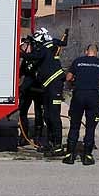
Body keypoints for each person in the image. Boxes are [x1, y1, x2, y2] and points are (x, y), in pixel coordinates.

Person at [62, 44, 99, 166]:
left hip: (78, 96)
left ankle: (70, 155)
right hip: (93, 97)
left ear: (86, 52)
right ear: (96, 53)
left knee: (74, 126)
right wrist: (98, 81)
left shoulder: (78, 61)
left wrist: (76, 79)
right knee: (90, 127)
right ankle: (87, 156)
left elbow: (68, 78)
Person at [25, 27, 69, 156]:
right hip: (47, 86)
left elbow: (35, 55)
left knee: (54, 116)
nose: (33, 46)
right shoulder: (48, 47)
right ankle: (50, 144)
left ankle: (58, 146)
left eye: (34, 43)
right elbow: (63, 43)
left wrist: (20, 54)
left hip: (55, 84)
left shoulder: (44, 48)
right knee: (47, 116)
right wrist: (66, 35)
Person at [16, 38, 46, 149]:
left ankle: (38, 137)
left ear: (29, 44)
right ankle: (24, 136)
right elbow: (21, 72)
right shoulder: (26, 59)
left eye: (23, 47)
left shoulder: (38, 55)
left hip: (38, 89)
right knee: (23, 111)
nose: (23, 50)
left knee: (39, 113)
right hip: (27, 89)